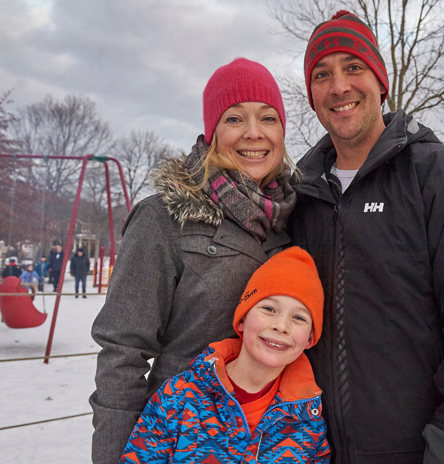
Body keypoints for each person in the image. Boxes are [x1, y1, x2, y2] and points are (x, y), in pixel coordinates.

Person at [288, 10, 444, 464]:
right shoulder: (300, 193)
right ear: (312, 95)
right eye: (322, 74)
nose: (339, 86)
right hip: (310, 448)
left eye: (353, 68)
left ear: (381, 82)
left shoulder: (443, 178)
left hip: (421, 448)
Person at [90, 58, 296, 464]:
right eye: (235, 118)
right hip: (179, 439)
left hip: (271, 442)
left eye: (268, 118)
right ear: (212, 132)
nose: (253, 133)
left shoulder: (293, 220)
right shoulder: (164, 218)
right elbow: (122, 352)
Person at [120, 247, 330, 463]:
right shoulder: (179, 397)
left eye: (299, 318)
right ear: (242, 319)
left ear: (310, 339)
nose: (281, 326)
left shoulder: (309, 422)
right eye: (269, 309)